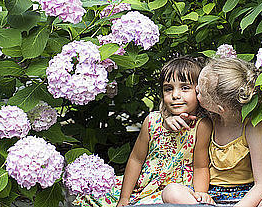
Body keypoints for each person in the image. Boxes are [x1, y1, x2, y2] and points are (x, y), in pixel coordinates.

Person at [162, 57, 262, 207]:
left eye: (200, 92)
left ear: (218, 108)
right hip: (209, 199)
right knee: (171, 191)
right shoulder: (206, 119)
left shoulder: (251, 126)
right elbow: (175, 112)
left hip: (247, 198)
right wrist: (168, 120)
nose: (196, 92)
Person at [84, 56, 213, 207]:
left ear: (198, 91)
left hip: (174, 190)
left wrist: (200, 195)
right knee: (92, 192)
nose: (175, 95)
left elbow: (200, 166)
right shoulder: (152, 121)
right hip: (143, 186)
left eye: (185, 88)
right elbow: (136, 160)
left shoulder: (200, 125)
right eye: (168, 89)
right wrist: (124, 198)